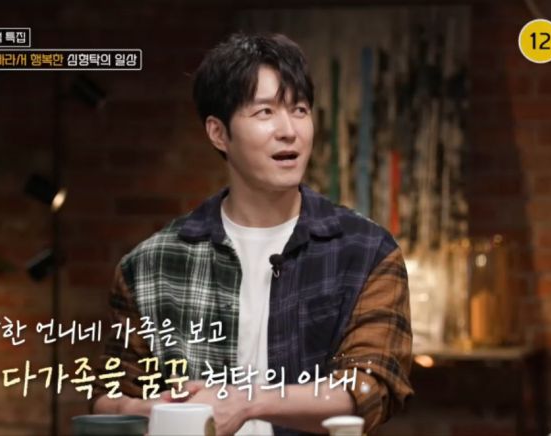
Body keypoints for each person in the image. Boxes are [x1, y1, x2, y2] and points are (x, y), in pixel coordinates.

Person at [90, 33, 413, 435]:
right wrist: (152, 408)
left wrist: (247, 402)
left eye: (299, 109)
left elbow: (371, 386)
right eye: (265, 112)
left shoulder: (365, 252)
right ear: (218, 133)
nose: (289, 130)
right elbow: (107, 397)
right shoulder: (150, 265)